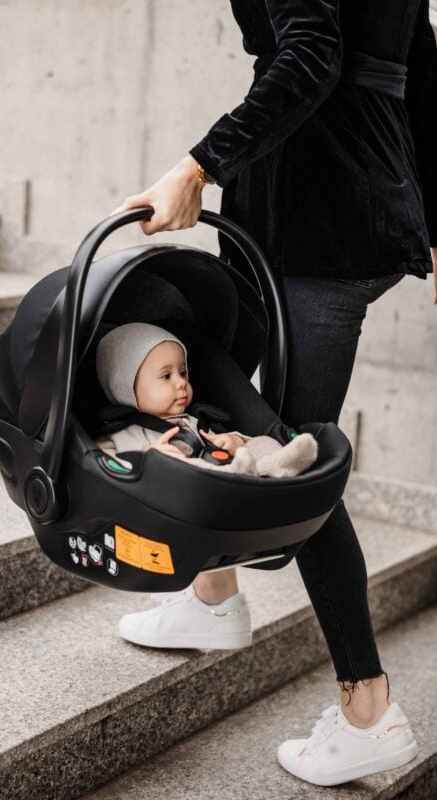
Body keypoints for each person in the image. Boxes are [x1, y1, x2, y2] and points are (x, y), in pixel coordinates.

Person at [109, 0, 436, 786]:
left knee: (296, 452)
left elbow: (314, 50)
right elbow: (421, 63)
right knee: (228, 389)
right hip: (360, 196)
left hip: (317, 207)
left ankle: (367, 708)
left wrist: (197, 166)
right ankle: (214, 592)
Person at [94, 321, 318, 479]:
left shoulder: (195, 420)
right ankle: (237, 475)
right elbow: (104, 468)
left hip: (231, 470)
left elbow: (222, 443)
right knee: (184, 468)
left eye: (183, 373)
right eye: (166, 376)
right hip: (183, 493)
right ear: (125, 389)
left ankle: (281, 462)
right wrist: (149, 460)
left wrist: (236, 441)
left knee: (258, 441)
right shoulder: (120, 435)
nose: (181, 383)